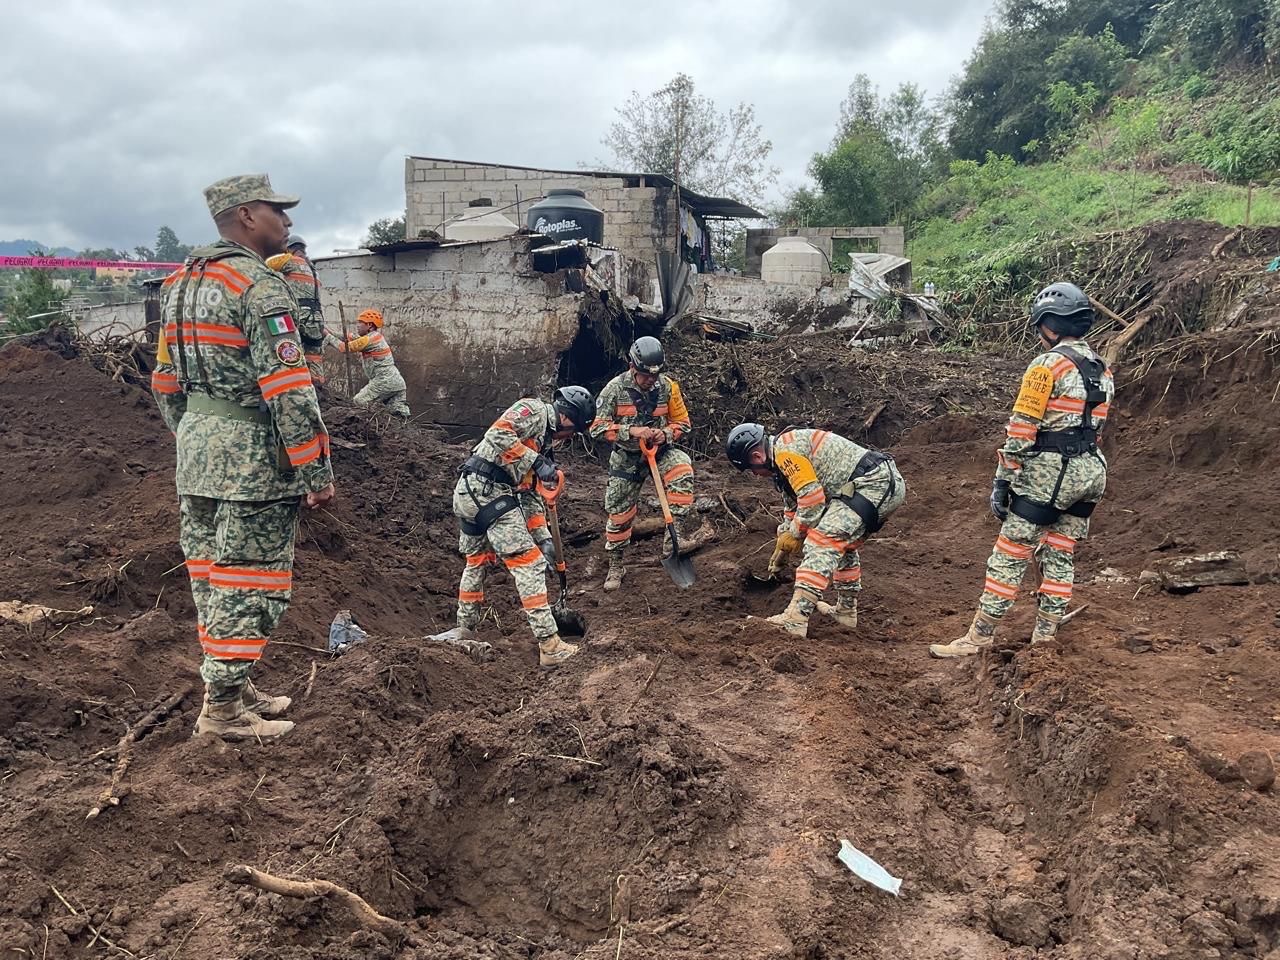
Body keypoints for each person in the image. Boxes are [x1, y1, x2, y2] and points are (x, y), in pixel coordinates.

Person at [149, 174, 335, 740]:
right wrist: (315, 469)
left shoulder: (177, 286)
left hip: (199, 454)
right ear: (248, 216)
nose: (289, 221)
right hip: (255, 461)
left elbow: (164, 382)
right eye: (280, 211)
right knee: (250, 581)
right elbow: (289, 388)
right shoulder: (258, 288)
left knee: (211, 577)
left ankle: (236, 684)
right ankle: (223, 710)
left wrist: (196, 439)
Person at [929, 282, 1115, 659]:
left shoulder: (1047, 364)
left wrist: (1003, 479)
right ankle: (1044, 637)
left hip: (1050, 475)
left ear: (1049, 324)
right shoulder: (1101, 367)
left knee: (1010, 553)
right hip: (1091, 472)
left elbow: (1022, 428)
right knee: (1060, 554)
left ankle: (980, 636)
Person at [448, 386, 596, 667]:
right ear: (566, 419)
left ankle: (464, 633)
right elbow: (497, 433)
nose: (570, 438)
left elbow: (528, 495)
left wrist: (543, 537)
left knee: (477, 561)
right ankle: (550, 646)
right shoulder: (535, 411)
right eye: (573, 432)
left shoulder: (541, 442)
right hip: (486, 491)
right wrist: (536, 461)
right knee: (529, 565)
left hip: (474, 493)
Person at [726, 424, 906, 638]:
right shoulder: (782, 462)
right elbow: (794, 509)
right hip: (875, 482)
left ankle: (795, 618)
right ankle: (845, 611)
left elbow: (812, 502)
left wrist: (795, 535)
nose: (755, 475)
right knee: (841, 543)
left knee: (822, 539)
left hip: (874, 483)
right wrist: (782, 547)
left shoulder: (786, 454)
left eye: (751, 468)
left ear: (756, 456)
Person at [588, 336, 711, 591]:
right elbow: (597, 429)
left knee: (682, 470)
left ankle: (673, 542)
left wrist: (665, 434)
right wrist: (631, 432)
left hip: (661, 451)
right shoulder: (614, 390)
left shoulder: (668, 388)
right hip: (627, 456)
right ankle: (616, 563)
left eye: (655, 376)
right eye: (645, 375)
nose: (650, 381)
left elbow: (683, 423)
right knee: (620, 513)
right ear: (633, 367)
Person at [265, 235, 327, 386]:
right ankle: (319, 391)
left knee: (286, 349)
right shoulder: (313, 269)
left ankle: (293, 387)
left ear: (289, 249)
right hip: (317, 319)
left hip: (299, 316)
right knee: (314, 357)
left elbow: (265, 265)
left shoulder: (289, 260)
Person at [326, 308, 410, 416]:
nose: (357, 325)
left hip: (384, 381)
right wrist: (329, 332)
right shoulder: (373, 337)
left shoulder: (369, 339)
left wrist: (327, 337)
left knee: (359, 400)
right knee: (398, 412)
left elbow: (344, 348)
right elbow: (348, 337)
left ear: (369, 325)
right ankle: (405, 431)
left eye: (360, 322)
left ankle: (371, 425)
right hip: (397, 383)